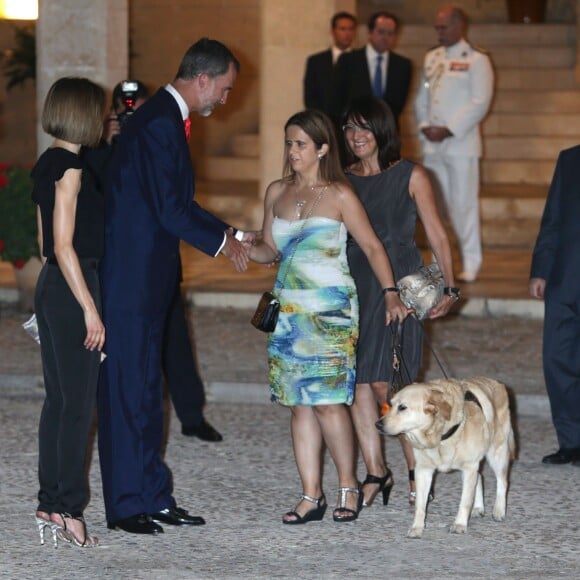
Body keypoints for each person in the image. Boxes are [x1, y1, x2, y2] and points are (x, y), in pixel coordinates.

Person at [98, 38, 250, 536]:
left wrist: (232, 234)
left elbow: (175, 203)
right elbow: (171, 209)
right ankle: (125, 504)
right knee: (128, 392)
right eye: (225, 90)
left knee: (147, 391)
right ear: (202, 79)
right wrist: (226, 245)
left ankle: (152, 495)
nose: (224, 100)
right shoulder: (159, 121)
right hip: (132, 279)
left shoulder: (162, 117)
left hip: (149, 275)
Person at [245, 109, 411, 525]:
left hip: (331, 311)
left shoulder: (339, 194)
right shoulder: (276, 192)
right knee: (299, 405)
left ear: (321, 148)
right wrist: (241, 244)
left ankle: (348, 487)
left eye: (301, 144)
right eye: (288, 143)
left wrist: (391, 293)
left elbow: (372, 247)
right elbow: (270, 250)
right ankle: (310, 494)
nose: (292, 151)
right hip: (289, 311)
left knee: (329, 404)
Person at [86, 80, 223, 442]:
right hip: (118, 262)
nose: (132, 112)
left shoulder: (161, 132)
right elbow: (100, 188)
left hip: (160, 262)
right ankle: (118, 417)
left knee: (176, 340)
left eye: (138, 105)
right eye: (125, 106)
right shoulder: (102, 147)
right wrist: (109, 139)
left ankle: (191, 414)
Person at [341, 96, 457, 506]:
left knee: (391, 383)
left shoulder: (411, 175)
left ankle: (415, 472)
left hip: (401, 289)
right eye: (350, 129)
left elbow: (439, 235)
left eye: (364, 128)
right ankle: (376, 471)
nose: (356, 137)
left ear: (382, 131)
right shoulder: (343, 180)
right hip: (356, 284)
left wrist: (450, 286)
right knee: (354, 383)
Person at [32, 77, 106, 548]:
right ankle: (68, 510)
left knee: (59, 402)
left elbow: (43, 247)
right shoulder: (73, 168)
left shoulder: (45, 162)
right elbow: (62, 246)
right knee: (77, 407)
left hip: (53, 286)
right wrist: (90, 310)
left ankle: (51, 501)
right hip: (74, 286)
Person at [414, 5, 494, 283]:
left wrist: (448, 129)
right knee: (434, 206)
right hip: (432, 144)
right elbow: (422, 99)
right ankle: (440, 261)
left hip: (461, 145)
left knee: (463, 205)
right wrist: (425, 126)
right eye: (437, 27)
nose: (439, 32)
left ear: (459, 26)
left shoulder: (476, 59)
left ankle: (471, 261)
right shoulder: (432, 58)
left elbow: (480, 102)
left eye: (443, 27)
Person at [529, 145, 580, 467]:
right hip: (566, 278)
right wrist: (541, 270)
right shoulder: (570, 159)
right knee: (558, 359)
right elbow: (553, 218)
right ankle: (571, 442)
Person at [335, 11, 412, 125]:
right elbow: (338, 99)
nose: (385, 37)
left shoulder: (403, 65)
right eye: (381, 32)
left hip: (387, 132)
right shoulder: (348, 60)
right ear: (370, 32)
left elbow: (398, 105)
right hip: (355, 128)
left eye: (390, 33)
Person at [303, 11, 357, 121]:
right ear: (333, 31)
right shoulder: (316, 61)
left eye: (351, 29)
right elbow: (310, 95)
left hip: (353, 122)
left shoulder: (361, 60)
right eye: (342, 29)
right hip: (323, 122)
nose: (347, 33)